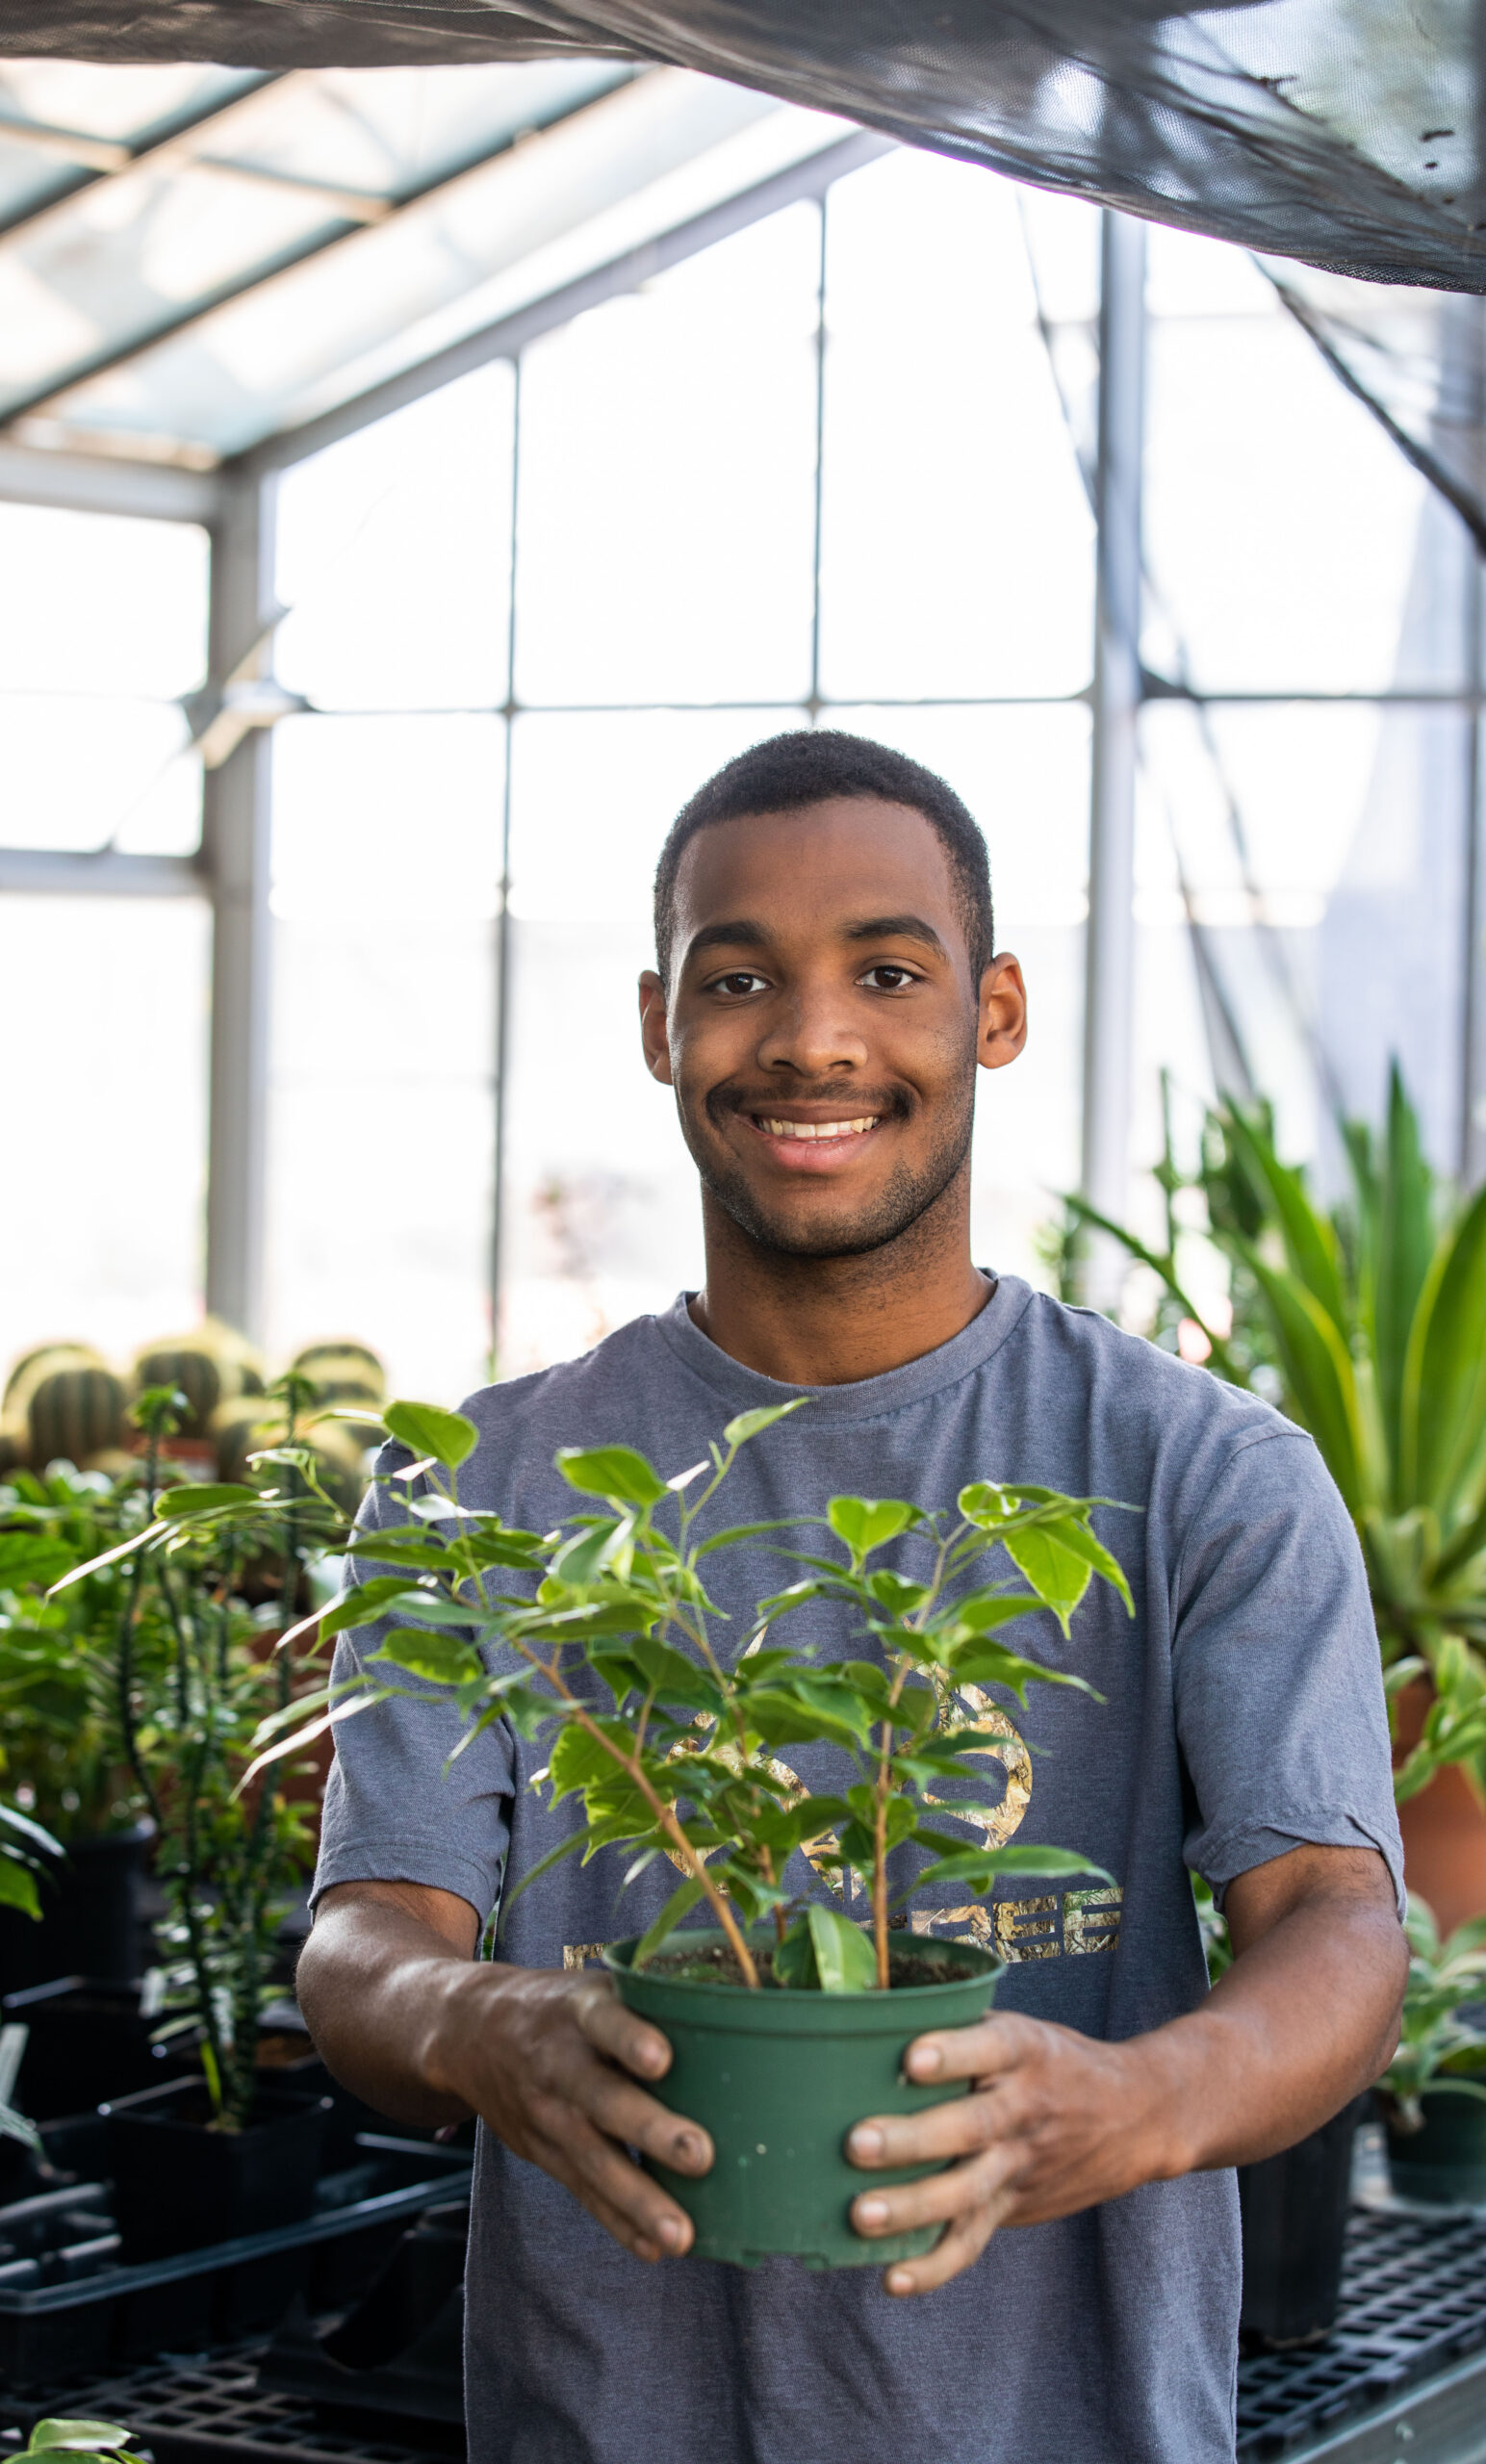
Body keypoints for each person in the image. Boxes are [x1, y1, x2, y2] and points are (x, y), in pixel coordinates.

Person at [298, 729, 1406, 2464]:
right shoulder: (483, 1493)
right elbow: (370, 1935)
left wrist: (1137, 2103)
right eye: (741, 979)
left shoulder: (1199, 1471)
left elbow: (1339, 1918)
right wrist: (477, 2020)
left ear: (997, 1011)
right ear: (662, 1022)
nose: (813, 1037)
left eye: (889, 971)